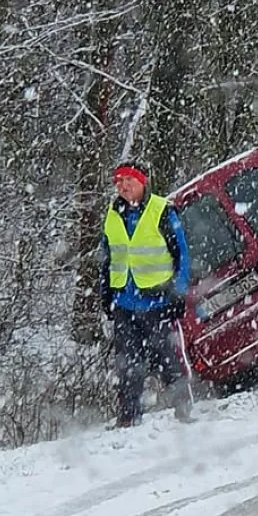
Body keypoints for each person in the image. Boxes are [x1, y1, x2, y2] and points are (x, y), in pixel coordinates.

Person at [100, 161, 196, 427]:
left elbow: (182, 255)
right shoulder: (113, 214)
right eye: (117, 182)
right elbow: (107, 258)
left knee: (169, 359)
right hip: (125, 303)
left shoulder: (161, 210)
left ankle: (184, 410)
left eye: (127, 180)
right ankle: (128, 418)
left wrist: (178, 293)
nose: (122, 186)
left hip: (157, 301)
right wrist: (106, 294)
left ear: (142, 181)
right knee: (127, 365)